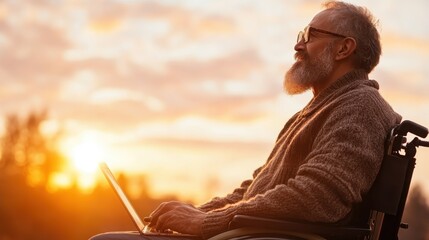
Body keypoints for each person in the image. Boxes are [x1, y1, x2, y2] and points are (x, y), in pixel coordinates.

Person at [90, 1, 401, 239]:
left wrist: (204, 223)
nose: (298, 45)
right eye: (300, 36)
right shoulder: (316, 111)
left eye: (310, 35)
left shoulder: (360, 107)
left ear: (344, 48)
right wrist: (196, 214)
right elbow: (253, 190)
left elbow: (318, 198)